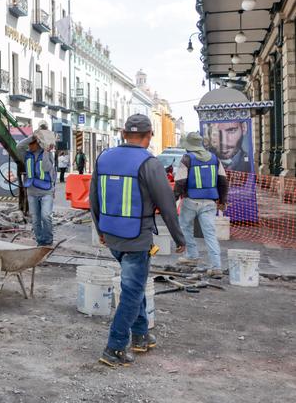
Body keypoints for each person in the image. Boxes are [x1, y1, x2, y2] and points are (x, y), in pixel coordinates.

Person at [89, 114, 186, 368]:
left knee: (135, 284)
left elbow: (93, 198)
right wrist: (178, 237)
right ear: (149, 135)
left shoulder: (104, 157)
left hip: (112, 236)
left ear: (123, 133)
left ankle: (141, 336)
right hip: (136, 238)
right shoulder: (149, 163)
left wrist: (100, 228)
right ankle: (115, 347)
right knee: (132, 292)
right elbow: (166, 204)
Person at [174, 132, 229, 276]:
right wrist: (223, 201)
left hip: (190, 201)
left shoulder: (187, 159)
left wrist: (172, 199)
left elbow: (180, 181)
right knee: (210, 233)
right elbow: (223, 180)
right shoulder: (214, 159)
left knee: (185, 226)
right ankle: (216, 266)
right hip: (210, 202)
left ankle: (192, 255)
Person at [18, 127, 57, 247]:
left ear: (38, 144)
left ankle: (48, 240)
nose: (30, 146)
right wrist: (33, 137)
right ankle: (40, 241)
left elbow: (46, 168)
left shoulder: (48, 154)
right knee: (35, 220)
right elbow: (19, 146)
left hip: (46, 191)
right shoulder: (27, 154)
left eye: (32, 144)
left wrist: (45, 151)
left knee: (46, 216)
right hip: (32, 191)